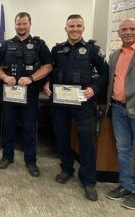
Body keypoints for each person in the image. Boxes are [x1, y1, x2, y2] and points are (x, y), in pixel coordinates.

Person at [43, 14, 109, 201]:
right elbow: (49, 70)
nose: (74, 29)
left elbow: (104, 74)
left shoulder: (93, 50)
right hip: (61, 102)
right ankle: (66, 169)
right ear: (65, 28)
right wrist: (46, 83)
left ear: (83, 28)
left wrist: (94, 88)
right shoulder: (57, 50)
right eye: (71, 26)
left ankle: (88, 181)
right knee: (62, 137)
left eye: (78, 26)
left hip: (83, 103)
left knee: (86, 141)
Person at [0, 12, 52, 176]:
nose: (21, 27)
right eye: (18, 24)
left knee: (29, 129)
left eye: (24, 23)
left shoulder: (39, 44)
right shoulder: (6, 44)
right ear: (15, 24)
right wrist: (3, 76)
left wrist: (32, 78)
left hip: (30, 95)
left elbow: (48, 66)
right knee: (8, 127)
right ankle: (7, 156)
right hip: (9, 95)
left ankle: (31, 161)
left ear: (30, 24)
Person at [105, 18, 135, 209]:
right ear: (119, 33)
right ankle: (125, 185)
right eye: (124, 29)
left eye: (132, 29)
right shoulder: (114, 55)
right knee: (123, 150)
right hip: (117, 108)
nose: (128, 32)